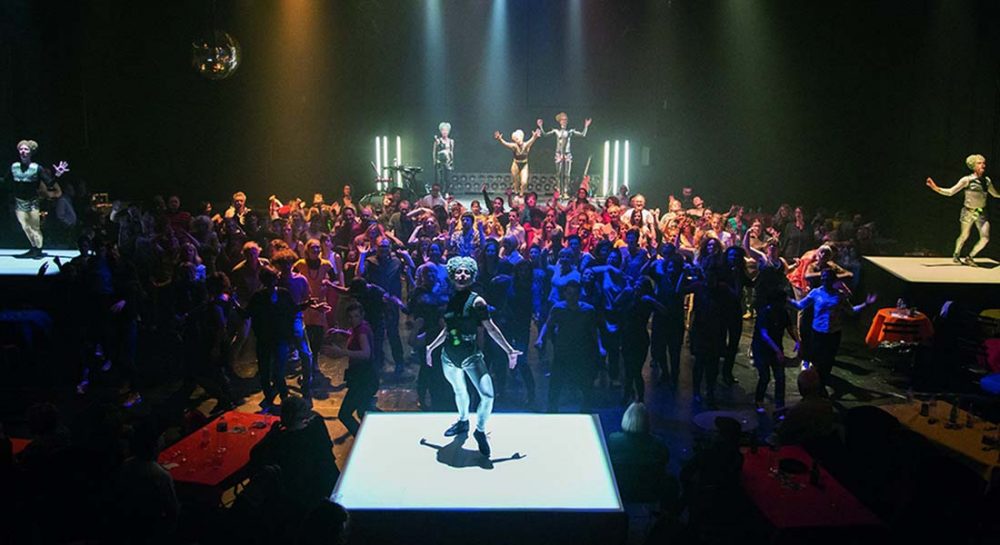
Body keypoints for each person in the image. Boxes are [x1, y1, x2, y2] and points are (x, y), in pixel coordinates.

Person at [425, 257, 521, 457]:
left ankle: (480, 430)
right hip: (449, 354)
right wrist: (431, 347)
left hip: (470, 354)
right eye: (458, 272)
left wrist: (509, 350)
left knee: (487, 395)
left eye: (466, 272)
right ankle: (462, 421)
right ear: (452, 275)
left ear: (472, 275)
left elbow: (491, 329)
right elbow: (448, 330)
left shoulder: (478, 301)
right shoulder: (451, 299)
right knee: (459, 392)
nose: (462, 275)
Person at [250, 395, 340, 510]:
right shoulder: (318, 428)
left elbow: (255, 454)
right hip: (330, 481)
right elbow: (316, 421)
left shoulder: (282, 440)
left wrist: (271, 434)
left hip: (301, 494)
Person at [789, 269, 876, 385]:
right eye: (823, 278)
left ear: (833, 280)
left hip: (833, 334)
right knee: (816, 360)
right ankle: (815, 385)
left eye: (828, 278)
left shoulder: (839, 296)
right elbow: (800, 305)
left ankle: (823, 383)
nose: (825, 280)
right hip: (818, 333)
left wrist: (866, 304)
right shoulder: (816, 293)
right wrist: (786, 299)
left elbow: (851, 311)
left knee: (828, 361)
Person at [536, 280, 605, 413]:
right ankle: (552, 411)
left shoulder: (588, 310)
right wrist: (540, 339)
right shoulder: (558, 308)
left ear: (580, 294)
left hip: (581, 352)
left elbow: (594, 330)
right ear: (565, 294)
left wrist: (600, 347)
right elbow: (548, 324)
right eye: (569, 293)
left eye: (575, 294)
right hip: (562, 352)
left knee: (585, 384)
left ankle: (585, 411)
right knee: (556, 383)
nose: (572, 297)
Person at [926, 154, 999, 266]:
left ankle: (970, 257)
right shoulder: (967, 180)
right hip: (968, 212)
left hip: (981, 212)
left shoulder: (987, 181)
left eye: (983, 163)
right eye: (979, 163)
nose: (983, 165)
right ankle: (956, 253)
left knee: (985, 238)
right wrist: (936, 188)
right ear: (973, 165)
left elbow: (995, 194)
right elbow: (951, 192)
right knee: (964, 235)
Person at [6, 140, 69, 258]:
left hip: (32, 202)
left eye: (26, 149)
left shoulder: (37, 168)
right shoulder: (14, 167)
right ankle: (33, 247)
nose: (23, 151)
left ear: (31, 152)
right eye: (21, 149)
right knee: (25, 227)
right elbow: (5, 181)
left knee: (35, 227)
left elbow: (49, 183)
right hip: (19, 202)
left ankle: (38, 249)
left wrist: (57, 175)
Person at [606, 402, 671, 504]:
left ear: (626, 419)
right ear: (647, 421)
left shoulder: (613, 440)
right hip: (651, 492)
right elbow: (666, 460)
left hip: (621, 491)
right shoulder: (658, 443)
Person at [751, 288, 789, 414]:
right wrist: (778, 351)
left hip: (775, 349)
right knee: (765, 377)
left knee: (780, 378)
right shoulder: (765, 313)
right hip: (761, 349)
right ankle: (758, 400)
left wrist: (799, 341)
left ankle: (780, 405)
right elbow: (764, 335)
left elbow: (790, 327)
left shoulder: (783, 312)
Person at [537, 113, 592, 194]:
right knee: (558, 173)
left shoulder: (570, 131)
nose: (564, 121)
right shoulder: (556, 131)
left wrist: (586, 126)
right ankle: (559, 190)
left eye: (566, 120)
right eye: (563, 120)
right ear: (560, 121)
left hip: (567, 154)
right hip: (558, 153)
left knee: (567, 174)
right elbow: (545, 134)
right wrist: (541, 127)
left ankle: (566, 190)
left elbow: (583, 134)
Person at [494, 128, 541, 194]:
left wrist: (535, 136)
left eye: (518, 138)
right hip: (516, 164)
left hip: (524, 164)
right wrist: (500, 139)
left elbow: (531, 141)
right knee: (516, 182)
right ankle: (516, 193)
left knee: (524, 182)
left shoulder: (526, 145)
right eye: (516, 139)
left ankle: (521, 194)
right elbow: (506, 144)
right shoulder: (514, 146)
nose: (518, 140)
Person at [433, 122, 455, 192]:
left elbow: (452, 151)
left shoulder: (451, 141)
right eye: (443, 130)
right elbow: (434, 151)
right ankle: (440, 193)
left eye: (446, 130)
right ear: (441, 131)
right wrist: (435, 161)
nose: (445, 132)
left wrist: (452, 161)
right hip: (440, 163)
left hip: (448, 162)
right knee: (440, 180)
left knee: (448, 179)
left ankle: (447, 192)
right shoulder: (438, 141)